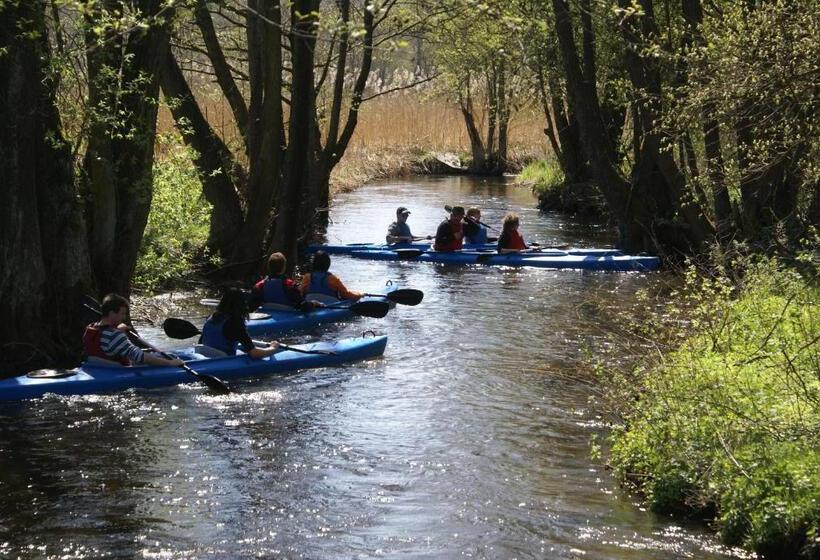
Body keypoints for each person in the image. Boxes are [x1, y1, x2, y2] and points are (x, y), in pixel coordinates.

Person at [83, 293, 184, 366]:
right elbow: (140, 357)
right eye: (122, 313)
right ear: (111, 313)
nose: (124, 317)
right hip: (118, 372)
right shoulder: (115, 336)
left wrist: (117, 331)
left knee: (166, 355)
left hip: (96, 368)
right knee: (170, 358)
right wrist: (170, 363)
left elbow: (107, 340)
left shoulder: (92, 328)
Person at [200, 288, 280, 357]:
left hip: (205, 356)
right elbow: (254, 354)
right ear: (241, 304)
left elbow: (201, 342)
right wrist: (273, 348)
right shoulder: (235, 323)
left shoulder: (211, 317)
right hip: (223, 360)